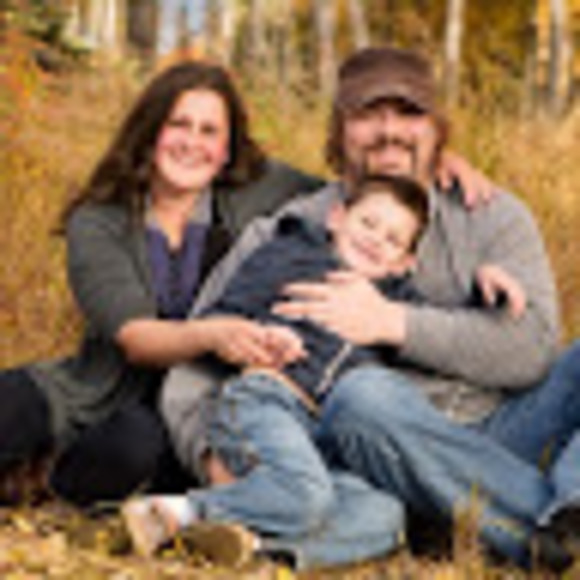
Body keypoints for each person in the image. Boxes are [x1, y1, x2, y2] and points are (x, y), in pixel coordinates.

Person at [161, 46, 580, 572]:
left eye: (409, 112)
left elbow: (535, 352)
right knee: (362, 395)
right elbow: (193, 365)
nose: (389, 130)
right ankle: (528, 530)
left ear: (437, 129)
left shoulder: (493, 217)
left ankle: (556, 515)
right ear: (339, 131)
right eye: (367, 113)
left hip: (500, 434)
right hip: (371, 450)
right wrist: (216, 459)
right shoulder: (291, 234)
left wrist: (394, 323)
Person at [123, 173, 528, 566]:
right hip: (266, 401)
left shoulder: (392, 301)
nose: (376, 239)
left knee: (384, 515)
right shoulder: (291, 254)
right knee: (305, 493)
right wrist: (263, 337)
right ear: (337, 217)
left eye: (393, 240)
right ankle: (178, 512)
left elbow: (438, 326)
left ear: (403, 263)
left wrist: (482, 292)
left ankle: (254, 548)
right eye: (368, 223)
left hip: (325, 436)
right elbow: (226, 317)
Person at [0, 60, 326, 508]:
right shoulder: (99, 220)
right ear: (151, 131)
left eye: (209, 131)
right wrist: (213, 334)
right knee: (11, 401)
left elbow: (353, 193)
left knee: (131, 446)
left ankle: (45, 482)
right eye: (179, 124)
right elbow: (136, 339)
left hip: (180, 410)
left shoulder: (261, 193)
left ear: (227, 150)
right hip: (94, 389)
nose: (192, 143)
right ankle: (28, 461)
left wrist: (421, 155)